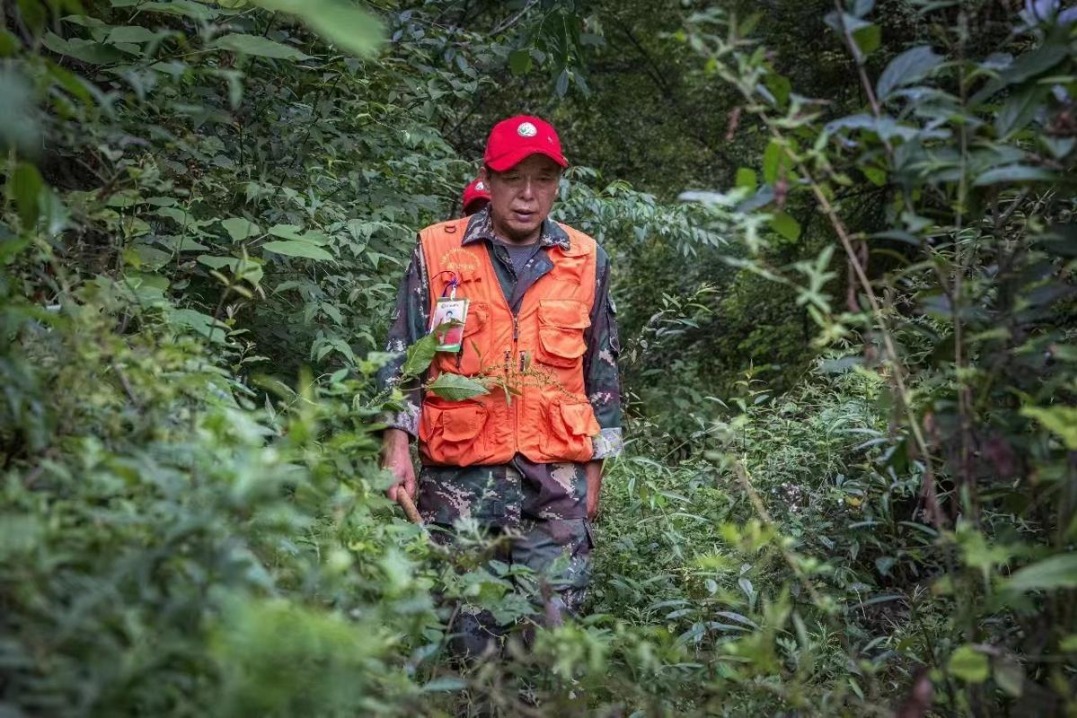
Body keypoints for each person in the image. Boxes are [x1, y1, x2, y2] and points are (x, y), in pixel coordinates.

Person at [377, 115, 623, 659]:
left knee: (553, 650)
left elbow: (602, 378)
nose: (528, 196)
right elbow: (404, 356)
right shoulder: (438, 252)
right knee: (469, 650)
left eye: (543, 179)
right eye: (513, 178)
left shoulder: (586, 260)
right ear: (487, 178)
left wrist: (594, 476)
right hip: (461, 486)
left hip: (556, 483)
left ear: (559, 183)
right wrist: (396, 445)